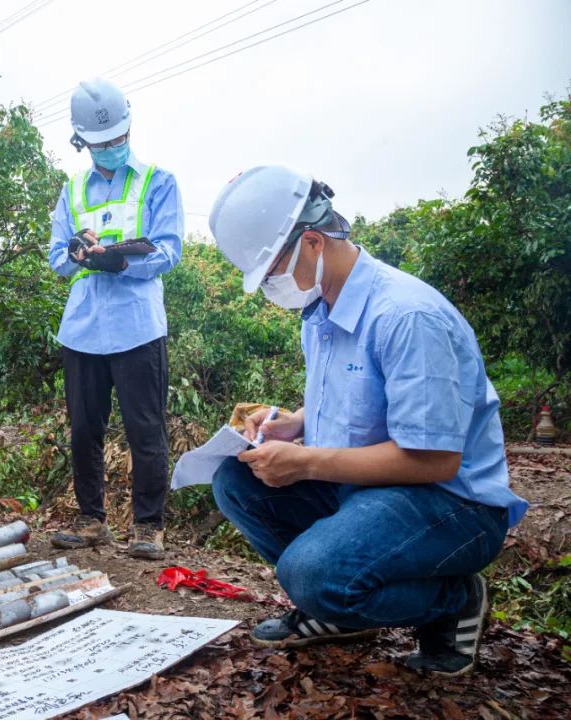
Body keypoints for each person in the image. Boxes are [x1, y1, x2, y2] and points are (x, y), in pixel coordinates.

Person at [205, 165, 527, 675]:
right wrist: (297, 424)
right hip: (368, 491)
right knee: (235, 479)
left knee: (310, 574)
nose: (270, 288)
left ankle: (453, 601)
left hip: (451, 506)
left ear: (312, 242)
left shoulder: (406, 316)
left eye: (270, 274)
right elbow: (365, 397)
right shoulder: (322, 311)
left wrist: (306, 462)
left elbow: (436, 459)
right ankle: (339, 608)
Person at [47, 78, 183, 560]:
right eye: (100, 143)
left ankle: (149, 526)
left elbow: (169, 250)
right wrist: (76, 253)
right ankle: (91, 520)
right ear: (82, 141)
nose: (110, 149)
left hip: (137, 326)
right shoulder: (72, 189)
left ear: (128, 129)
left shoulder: (158, 181)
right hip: (83, 327)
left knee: (145, 428)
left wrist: (122, 261)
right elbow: (56, 259)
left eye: (117, 140)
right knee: (84, 428)